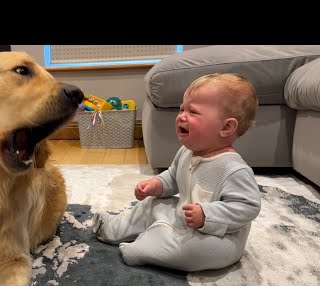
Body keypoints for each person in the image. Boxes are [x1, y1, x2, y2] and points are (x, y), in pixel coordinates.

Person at [91, 73, 262, 272]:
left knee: (194, 250)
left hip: (218, 236)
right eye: (182, 109)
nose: (181, 116)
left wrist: (208, 215)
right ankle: (116, 227)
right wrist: (156, 185)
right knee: (151, 204)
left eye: (193, 112)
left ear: (226, 127)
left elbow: (248, 207)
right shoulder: (186, 152)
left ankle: (146, 248)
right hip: (184, 216)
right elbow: (173, 176)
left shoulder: (233, 169)